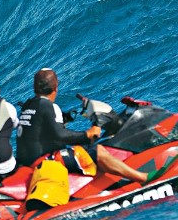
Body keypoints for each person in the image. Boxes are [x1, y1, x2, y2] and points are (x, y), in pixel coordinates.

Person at [16, 68, 157, 184]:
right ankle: (144, 178)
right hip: (44, 161)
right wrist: (87, 135)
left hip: (27, 161)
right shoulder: (48, 105)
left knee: (84, 147)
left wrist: (64, 121)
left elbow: (39, 130)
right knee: (97, 151)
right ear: (55, 87)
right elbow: (60, 136)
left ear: (35, 88)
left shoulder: (29, 105)